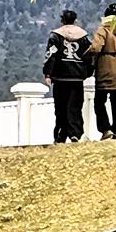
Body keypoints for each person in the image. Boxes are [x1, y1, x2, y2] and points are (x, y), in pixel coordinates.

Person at [87, 3, 116, 139]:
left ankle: (106, 129)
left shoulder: (103, 30)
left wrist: (87, 57)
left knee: (99, 102)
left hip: (105, 72)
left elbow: (95, 48)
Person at [43, 9, 90, 143]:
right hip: (76, 77)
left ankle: (60, 134)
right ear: (75, 20)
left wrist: (48, 73)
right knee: (75, 106)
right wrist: (87, 72)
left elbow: (50, 56)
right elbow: (89, 55)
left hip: (60, 77)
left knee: (61, 107)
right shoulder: (83, 37)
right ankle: (75, 132)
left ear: (62, 20)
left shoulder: (56, 36)